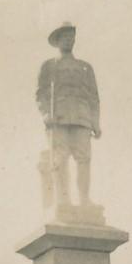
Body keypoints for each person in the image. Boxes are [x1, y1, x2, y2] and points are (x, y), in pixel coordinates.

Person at [36, 23, 101, 211]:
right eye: (64, 37)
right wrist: (46, 113)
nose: (68, 40)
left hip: (82, 117)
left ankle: (84, 199)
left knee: (84, 158)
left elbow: (93, 96)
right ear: (57, 41)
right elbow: (41, 94)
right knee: (59, 158)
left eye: (71, 36)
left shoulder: (85, 67)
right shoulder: (49, 66)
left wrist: (95, 121)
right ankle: (63, 199)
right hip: (59, 117)